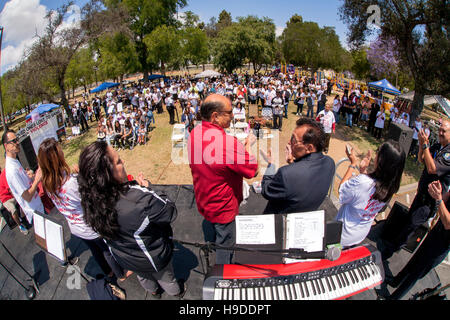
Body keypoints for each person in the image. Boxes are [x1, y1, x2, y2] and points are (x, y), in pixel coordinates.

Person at [78, 141, 185, 299]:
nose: (124, 162)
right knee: (167, 278)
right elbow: (169, 210)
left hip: (126, 258)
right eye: (119, 161)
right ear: (108, 174)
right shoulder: (138, 199)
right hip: (152, 256)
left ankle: (154, 292)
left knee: (144, 278)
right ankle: (176, 292)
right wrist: (148, 188)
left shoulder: (90, 200)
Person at [37, 138, 130, 280]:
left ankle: (108, 272)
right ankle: (120, 274)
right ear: (56, 157)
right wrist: (82, 175)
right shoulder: (70, 183)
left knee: (95, 251)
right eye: (59, 149)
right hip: (91, 226)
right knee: (106, 251)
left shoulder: (47, 183)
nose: (62, 150)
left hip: (76, 228)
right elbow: (90, 197)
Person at [188, 94, 258, 264]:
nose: (233, 115)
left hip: (204, 198)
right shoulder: (227, 144)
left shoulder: (195, 132)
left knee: (212, 228)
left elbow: (214, 158)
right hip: (223, 207)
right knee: (225, 243)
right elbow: (252, 170)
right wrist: (250, 146)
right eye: (229, 111)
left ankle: (212, 243)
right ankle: (222, 270)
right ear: (215, 116)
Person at [380, 120, 450, 261]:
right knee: (408, 221)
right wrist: (421, 145)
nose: (440, 133)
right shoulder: (438, 146)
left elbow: (432, 169)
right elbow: (422, 159)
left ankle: (388, 253)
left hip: (429, 202)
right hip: (421, 194)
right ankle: (392, 244)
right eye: (440, 130)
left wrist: (425, 145)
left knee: (410, 226)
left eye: (444, 131)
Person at [382, 180, 449, 300]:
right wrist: (438, 193)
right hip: (435, 235)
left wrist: (438, 199)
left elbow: (448, 223)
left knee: (414, 275)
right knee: (413, 261)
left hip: (440, 247)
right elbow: (445, 199)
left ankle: (393, 298)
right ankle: (395, 281)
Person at [337, 141, 406, 248]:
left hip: (342, 235)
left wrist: (353, 164)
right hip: (360, 235)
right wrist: (363, 171)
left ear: (381, 160)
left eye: (378, 151)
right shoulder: (391, 186)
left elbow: (341, 190)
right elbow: (370, 192)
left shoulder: (363, 182)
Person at [261, 118, 335, 214]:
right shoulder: (330, 163)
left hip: (281, 222)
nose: (289, 142)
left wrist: (271, 164)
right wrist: (293, 163)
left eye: (293, 139)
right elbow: (305, 183)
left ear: (309, 148)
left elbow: (266, 191)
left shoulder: (286, 174)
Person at [2, 129, 44, 225]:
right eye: (13, 141)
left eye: (17, 139)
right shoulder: (11, 170)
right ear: (6, 146)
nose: (17, 143)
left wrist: (29, 177)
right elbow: (27, 197)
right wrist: (37, 179)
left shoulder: (15, 161)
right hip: (35, 214)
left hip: (38, 208)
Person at [0, 167, 28, 234]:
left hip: (12, 195)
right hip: (6, 199)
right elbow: (9, 189)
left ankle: (24, 215)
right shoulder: (3, 176)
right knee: (13, 210)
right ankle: (20, 226)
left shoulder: (5, 173)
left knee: (24, 199)